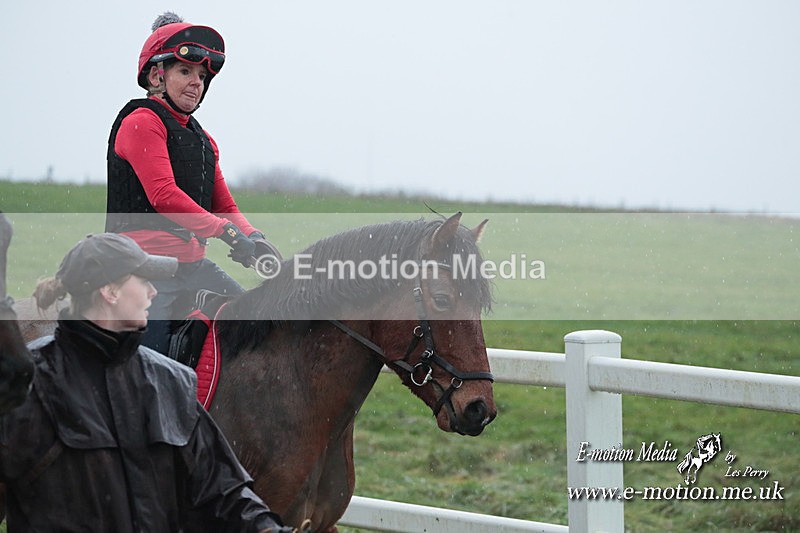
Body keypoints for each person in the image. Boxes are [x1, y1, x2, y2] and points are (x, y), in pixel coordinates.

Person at [0, 233, 291, 532]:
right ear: (110, 291)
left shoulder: (171, 384)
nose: (153, 292)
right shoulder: (27, 387)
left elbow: (225, 492)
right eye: (143, 281)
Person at [105, 11, 281, 355]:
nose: (196, 82)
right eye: (185, 71)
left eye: (201, 75)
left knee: (252, 322)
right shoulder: (142, 122)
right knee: (150, 362)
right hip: (142, 267)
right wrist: (226, 233)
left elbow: (225, 207)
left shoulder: (205, 141)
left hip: (192, 265)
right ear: (157, 75)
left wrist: (253, 237)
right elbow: (164, 196)